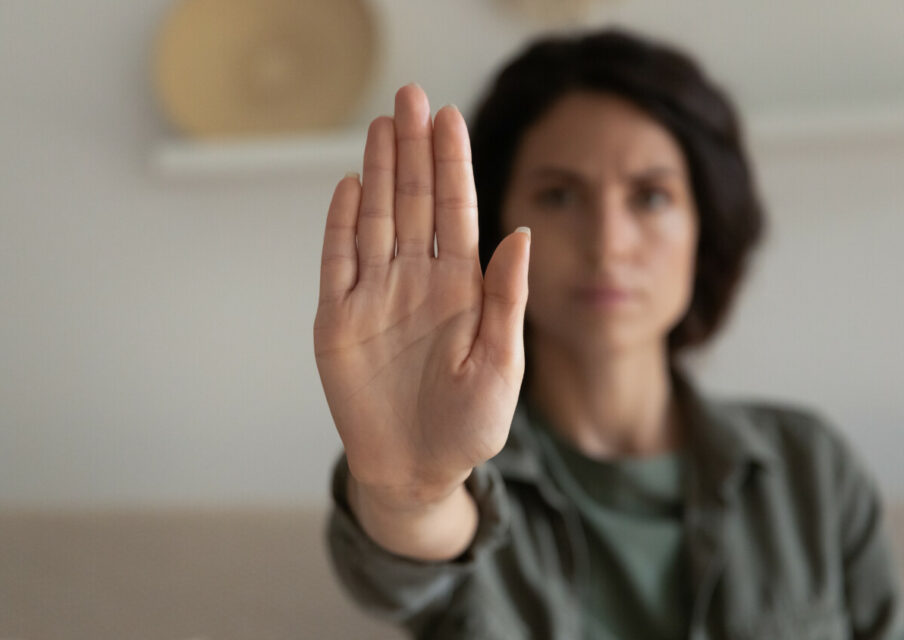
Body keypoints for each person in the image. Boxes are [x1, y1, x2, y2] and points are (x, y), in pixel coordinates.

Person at [313, 28, 903, 639]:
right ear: (496, 221)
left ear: (707, 229)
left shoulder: (812, 470)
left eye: (650, 197)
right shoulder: (450, 455)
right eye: (560, 195)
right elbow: (410, 562)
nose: (607, 244)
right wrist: (415, 494)